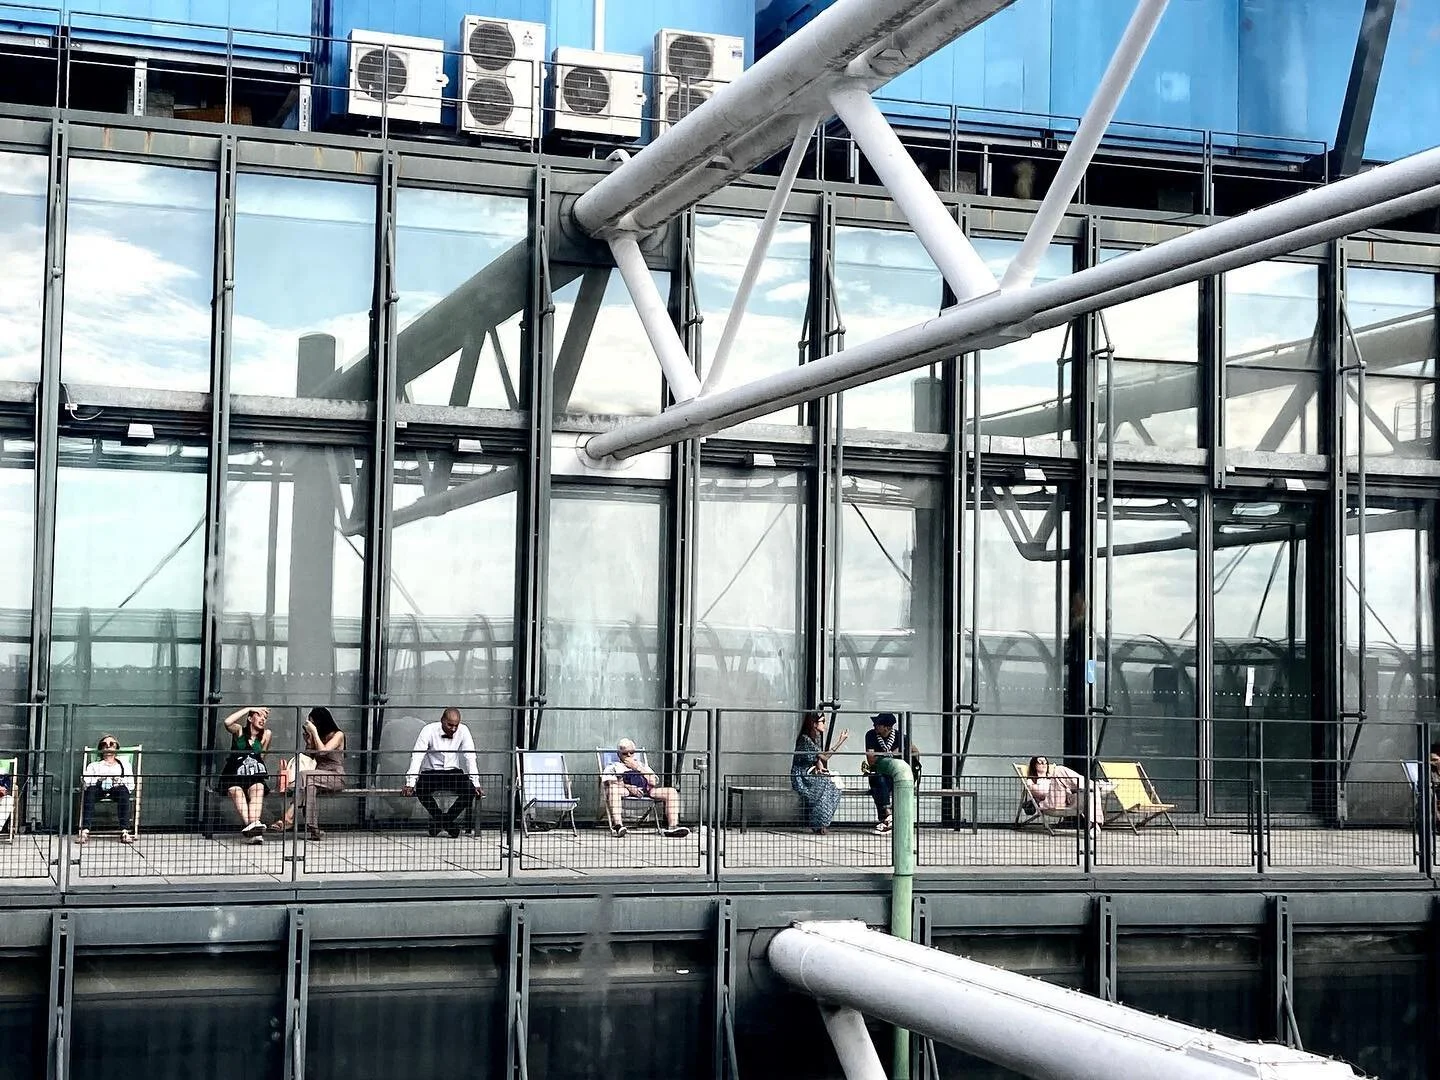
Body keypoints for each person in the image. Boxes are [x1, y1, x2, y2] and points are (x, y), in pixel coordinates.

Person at [403, 707, 483, 838]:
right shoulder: (428, 730)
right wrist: (410, 783)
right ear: (442, 720)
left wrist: (476, 783)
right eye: (450, 725)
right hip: (431, 772)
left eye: (456, 725)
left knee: (470, 790)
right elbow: (417, 756)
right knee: (421, 789)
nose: (453, 729)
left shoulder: (463, 730)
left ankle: (440, 823)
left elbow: (470, 757)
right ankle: (448, 824)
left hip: (453, 772)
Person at [272, 707, 347, 840]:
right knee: (309, 787)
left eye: (313, 722)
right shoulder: (317, 737)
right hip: (317, 776)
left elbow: (323, 751)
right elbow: (310, 755)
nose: (312, 725)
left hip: (335, 776)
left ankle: (289, 817)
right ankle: (314, 830)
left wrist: (314, 732)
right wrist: (308, 738)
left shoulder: (338, 735)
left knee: (305, 775)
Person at [601, 738, 689, 839]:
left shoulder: (642, 765)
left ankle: (673, 827)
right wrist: (629, 787)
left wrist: (637, 768)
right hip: (625, 791)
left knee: (671, 791)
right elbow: (610, 782)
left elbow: (653, 782)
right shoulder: (613, 766)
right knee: (613, 789)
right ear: (619, 754)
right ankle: (618, 826)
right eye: (625, 753)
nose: (629, 755)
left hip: (646, 791)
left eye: (632, 752)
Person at [790, 712, 849, 834]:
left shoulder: (816, 737)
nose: (824, 725)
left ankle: (823, 821)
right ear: (814, 724)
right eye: (822, 721)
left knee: (834, 785)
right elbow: (824, 757)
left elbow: (817, 758)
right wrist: (840, 741)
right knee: (825, 785)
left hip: (809, 771)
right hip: (801, 775)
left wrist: (821, 768)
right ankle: (819, 823)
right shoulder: (805, 739)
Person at [219, 706, 272, 843]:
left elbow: (262, 757)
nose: (263, 719)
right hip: (234, 774)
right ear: (250, 718)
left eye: (265, 717)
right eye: (259, 715)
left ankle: (252, 830)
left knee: (258, 788)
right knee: (236, 791)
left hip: (253, 774)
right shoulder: (239, 730)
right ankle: (254, 830)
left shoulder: (266, 735)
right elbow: (227, 722)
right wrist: (250, 708)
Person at [863, 713, 921, 834]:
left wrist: (906, 765)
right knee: (878, 780)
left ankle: (886, 820)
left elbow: (915, 752)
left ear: (887, 728)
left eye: (878, 724)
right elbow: (871, 760)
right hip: (879, 774)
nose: (874, 726)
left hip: (895, 776)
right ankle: (888, 816)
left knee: (883, 784)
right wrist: (891, 754)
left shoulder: (900, 737)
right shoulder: (871, 735)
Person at [78, 735, 135, 845]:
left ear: (116, 747)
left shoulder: (124, 765)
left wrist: (118, 781)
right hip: (98, 789)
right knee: (89, 791)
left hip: (116, 789)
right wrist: (99, 779)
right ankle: (85, 831)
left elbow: (131, 785)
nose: (108, 747)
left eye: (111, 744)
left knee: (124, 791)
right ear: (101, 748)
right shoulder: (94, 766)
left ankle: (125, 831)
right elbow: (86, 782)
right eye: (104, 744)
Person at [1022, 755, 1105, 831]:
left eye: (1045, 762)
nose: (1044, 764)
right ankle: (1092, 784)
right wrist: (1055, 784)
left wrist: (1067, 789)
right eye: (1040, 762)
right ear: (1034, 765)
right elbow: (1041, 793)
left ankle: (1095, 825)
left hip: (1068, 801)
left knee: (1091, 792)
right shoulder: (1032, 781)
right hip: (1052, 803)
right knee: (1059, 770)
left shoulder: (1053, 777)